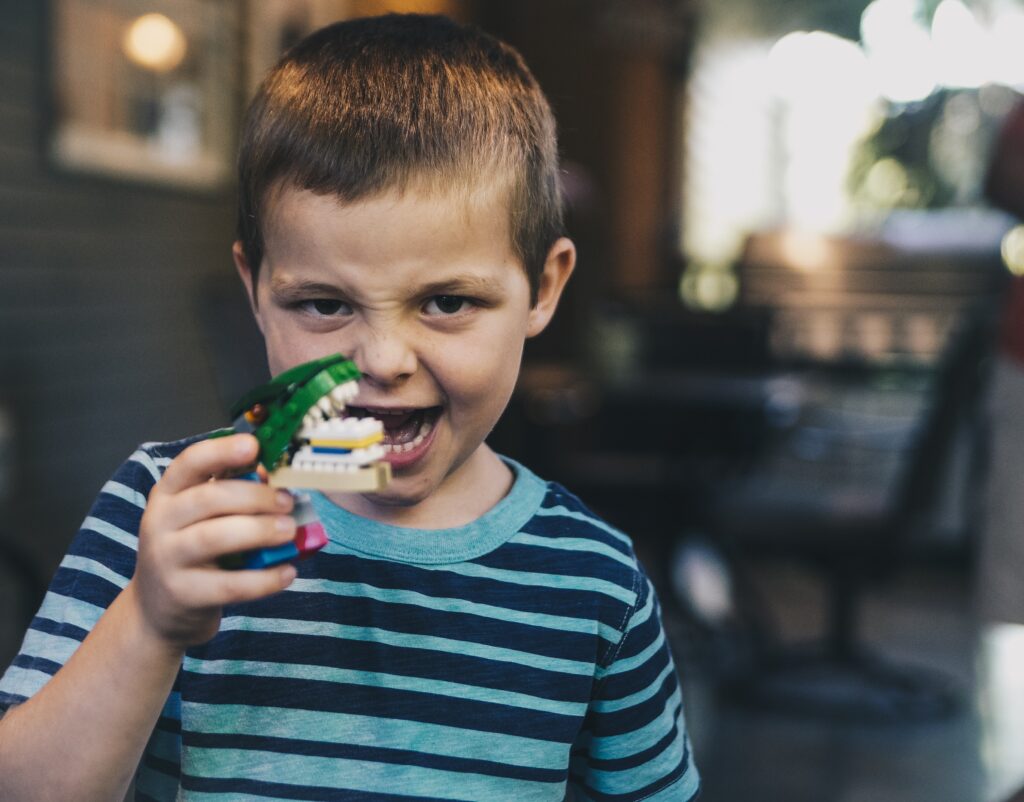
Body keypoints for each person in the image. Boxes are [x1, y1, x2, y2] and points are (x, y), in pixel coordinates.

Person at [0, 14, 700, 801]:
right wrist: (151, 622)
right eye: (325, 304)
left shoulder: (597, 583)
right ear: (256, 291)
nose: (383, 361)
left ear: (542, 289)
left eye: (447, 301)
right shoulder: (165, 514)